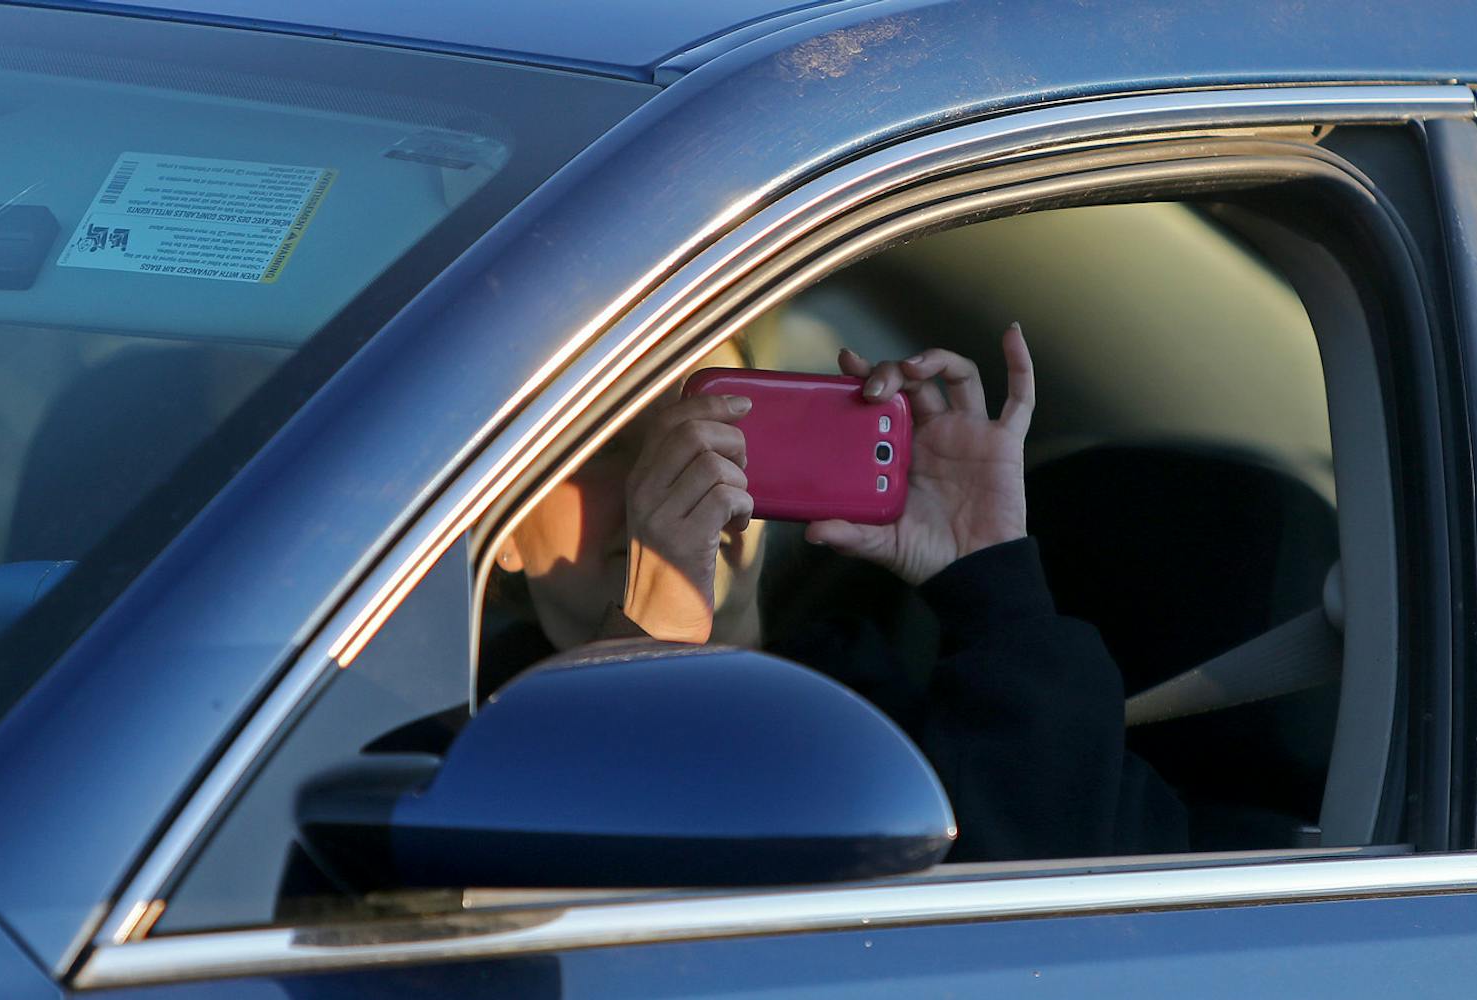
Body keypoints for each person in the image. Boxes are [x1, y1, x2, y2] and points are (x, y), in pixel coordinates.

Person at [483, 324, 1186, 860]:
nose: (676, 469)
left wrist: (993, 587)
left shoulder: (886, 713)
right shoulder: (432, 751)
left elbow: (1066, 918)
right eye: (602, 445)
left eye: (721, 425)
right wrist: (650, 644)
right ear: (495, 525)